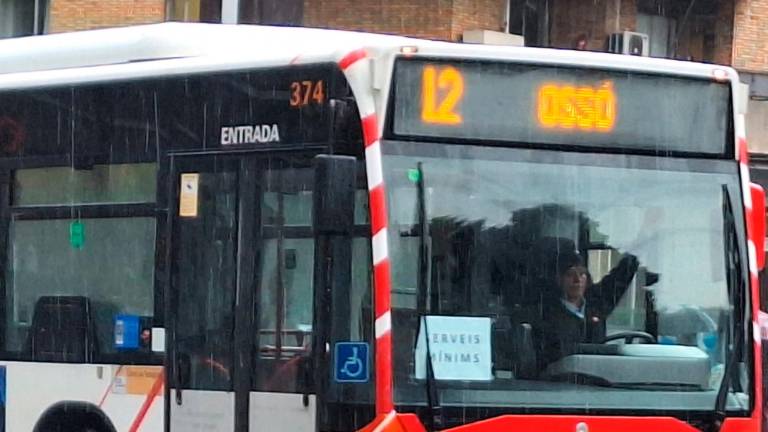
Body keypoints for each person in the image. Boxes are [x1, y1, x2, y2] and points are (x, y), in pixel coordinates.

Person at [536, 248, 644, 367]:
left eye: (582, 273)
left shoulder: (596, 303)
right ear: (558, 279)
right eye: (570, 274)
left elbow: (621, 277)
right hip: (563, 379)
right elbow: (560, 351)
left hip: (600, 377)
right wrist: (613, 351)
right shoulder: (544, 314)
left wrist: (639, 247)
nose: (577, 280)